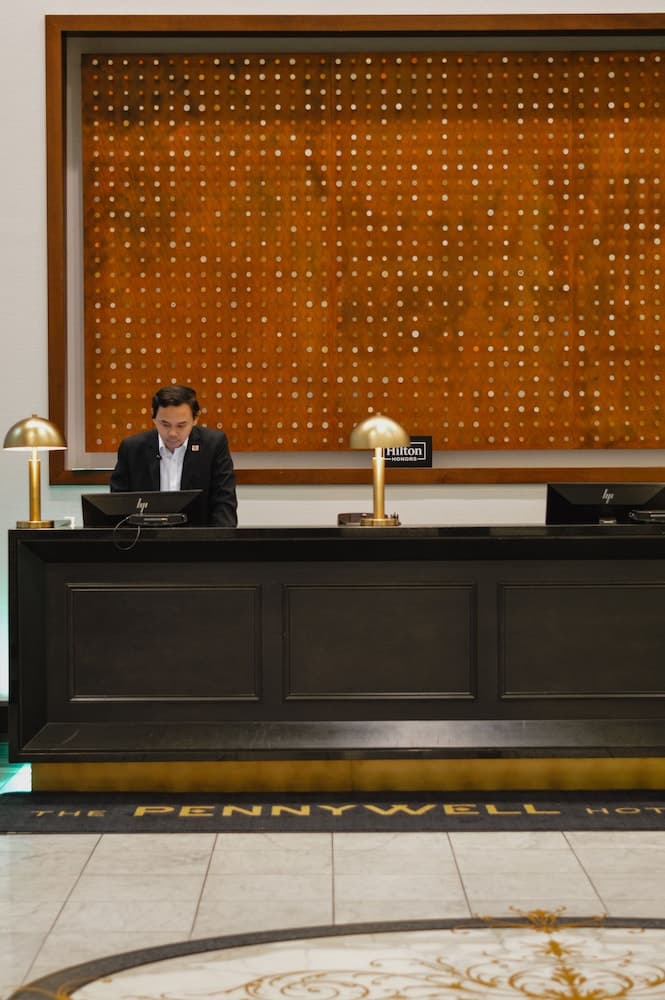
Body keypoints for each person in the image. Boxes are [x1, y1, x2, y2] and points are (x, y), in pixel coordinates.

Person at [110, 384, 238, 526]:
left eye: (181, 425)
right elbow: (118, 505)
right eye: (165, 424)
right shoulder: (132, 449)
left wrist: (219, 538)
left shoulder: (213, 446)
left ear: (195, 419)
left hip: (198, 536)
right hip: (145, 536)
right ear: (153, 417)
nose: (172, 433)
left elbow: (224, 503)